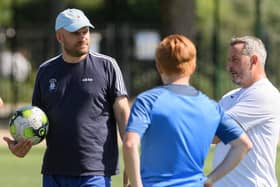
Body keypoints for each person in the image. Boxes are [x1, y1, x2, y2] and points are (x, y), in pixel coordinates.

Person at [3, 8, 130, 187]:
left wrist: (131, 160)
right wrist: (21, 146)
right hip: (54, 173)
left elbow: (124, 115)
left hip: (95, 172)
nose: (83, 37)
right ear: (60, 37)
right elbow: (35, 120)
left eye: (85, 31)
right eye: (75, 33)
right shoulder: (45, 71)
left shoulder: (107, 66)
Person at [122, 34, 252, 187]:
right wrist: (209, 180)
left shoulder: (147, 101)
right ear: (193, 65)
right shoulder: (211, 106)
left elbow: (130, 144)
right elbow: (243, 145)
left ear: (158, 65)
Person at [212, 36, 280, 187]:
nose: (229, 66)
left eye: (235, 60)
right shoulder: (229, 97)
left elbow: (215, 133)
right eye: (228, 60)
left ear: (254, 60)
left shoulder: (265, 94)